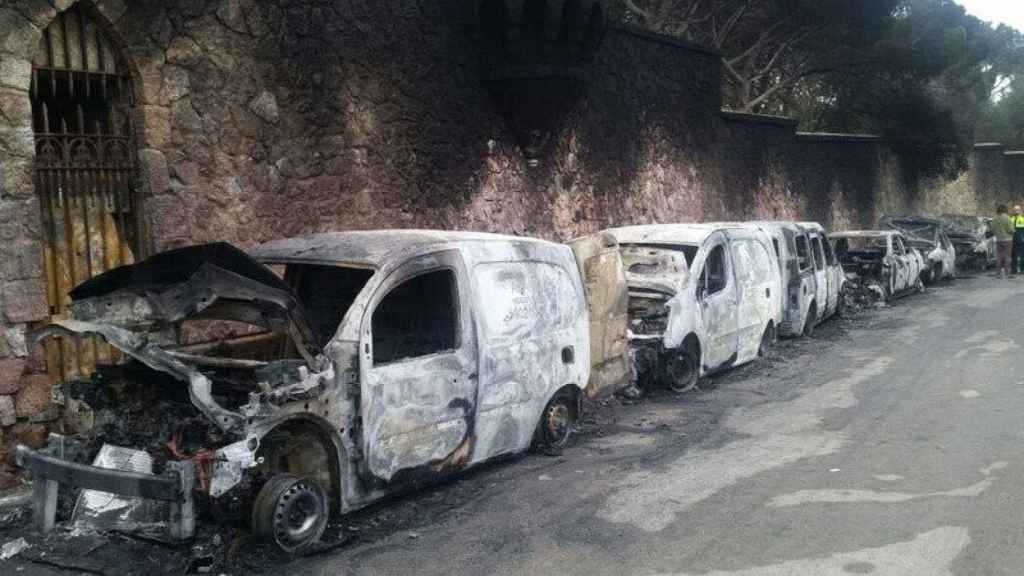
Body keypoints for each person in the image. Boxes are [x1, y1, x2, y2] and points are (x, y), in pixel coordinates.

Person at [992, 204, 1015, 279]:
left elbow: (993, 229)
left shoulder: (995, 218)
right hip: (1008, 240)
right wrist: (1014, 231)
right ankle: (1007, 274)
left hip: (998, 239)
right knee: (1007, 257)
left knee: (999, 257)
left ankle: (998, 274)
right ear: (1005, 209)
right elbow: (1010, 229)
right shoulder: (1007, 218)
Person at [1012, 205, 1024, 274]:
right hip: (1013, 239)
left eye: (1017, 210)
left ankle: (1022, 269)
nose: (1016, 211)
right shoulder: (1011, 218)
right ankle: (1014, 270)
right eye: (1015, 210)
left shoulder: (1023, 218)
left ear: (1020, 210)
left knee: (1022, 255)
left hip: (1021, 239)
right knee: (1013, 255)